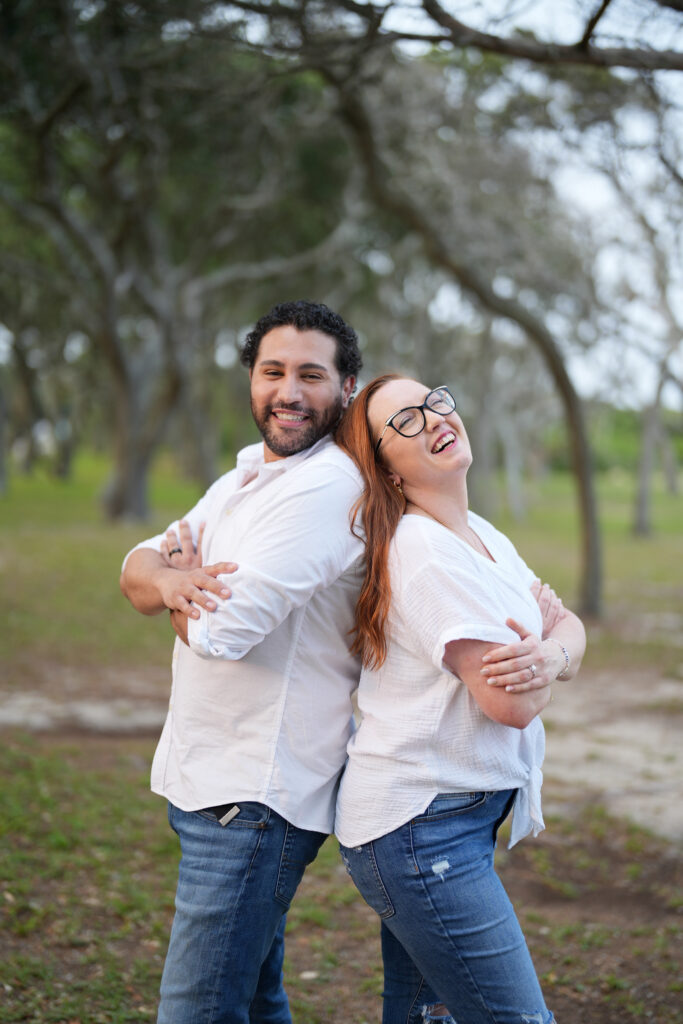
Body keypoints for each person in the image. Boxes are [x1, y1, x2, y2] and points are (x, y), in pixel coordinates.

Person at [119, 300, 366, 1024]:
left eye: (311, 375)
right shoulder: (242, 479)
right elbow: (134, 569)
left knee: (195, 1009)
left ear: (346, 387)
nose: (288, 392)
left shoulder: (328, 489)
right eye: (273, 371)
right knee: (254, 1000)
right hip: (208, 777)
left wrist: (173, 587)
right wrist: (173, 583)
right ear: (251, 381)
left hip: (255, 793)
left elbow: (222, 635)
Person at [334, 374, 586, 1024]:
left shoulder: (480, 534)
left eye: (434, 401)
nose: (433, 418)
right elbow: (512, 706)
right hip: (420, 831)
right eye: (406, 422)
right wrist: (549, 646)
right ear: (386, 470)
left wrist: (549, 654)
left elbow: (571, 629)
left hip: (441, 824)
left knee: (430, 1019)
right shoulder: (422, 554)